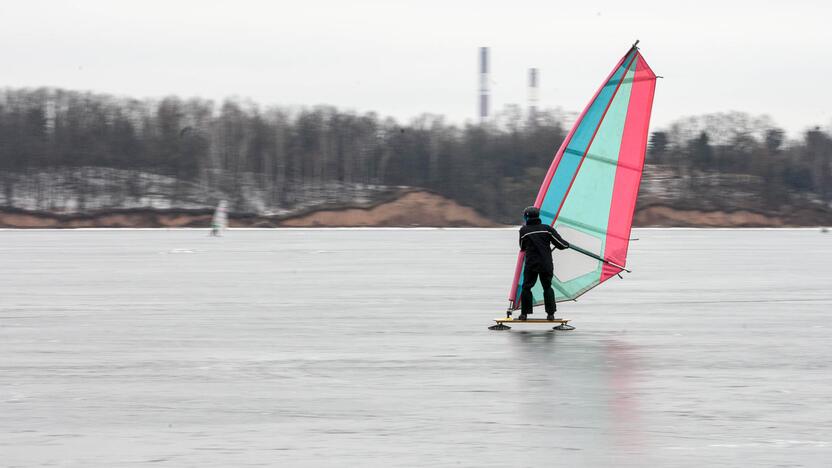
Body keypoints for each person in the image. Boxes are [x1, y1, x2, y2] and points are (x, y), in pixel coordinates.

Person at [518, 206, 569, 321]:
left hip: (531, 264)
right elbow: (562, 245)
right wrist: (567, 244)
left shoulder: (523, 230)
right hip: (546, 264)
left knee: (526, 287)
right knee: (547, 287)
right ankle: (551, 315)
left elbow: (522, 246)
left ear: (526, 217)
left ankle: (524, 314)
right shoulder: (547, 229)